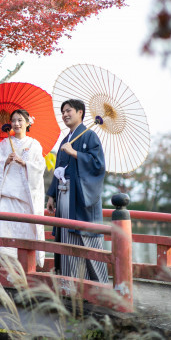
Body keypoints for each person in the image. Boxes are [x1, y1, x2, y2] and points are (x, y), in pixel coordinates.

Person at [46, 99, 109, 283]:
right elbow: (59, 168)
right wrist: (51, 195)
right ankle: (69, 283)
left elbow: (98, 165)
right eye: (63, 112)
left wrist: (75, 153)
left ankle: (99, 287)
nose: (65, 114)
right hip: (64, 196)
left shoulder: (90, 136)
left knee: (86, 240)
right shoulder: (66, 140)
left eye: (69, 111)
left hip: (81, 198)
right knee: (66, 237)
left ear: (80, 112)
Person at [0, 109, 46, 267]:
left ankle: (24, 274)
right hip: (7, 199)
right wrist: (4, 162)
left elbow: (40, 167)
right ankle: (8, 273)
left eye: (20, 120)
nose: (16, 123)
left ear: (28, 123)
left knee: (25, 237)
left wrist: (25, 163)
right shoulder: (4, 144)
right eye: (13, 120)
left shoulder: (34, 145)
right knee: (3, 236)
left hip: (25, 200)